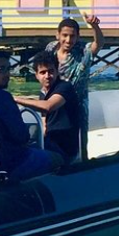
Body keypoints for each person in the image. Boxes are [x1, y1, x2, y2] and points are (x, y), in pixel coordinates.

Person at [0, 51, 62, 181]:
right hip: (10, 163)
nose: (7, 74)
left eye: (8, 69)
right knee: (57, 158)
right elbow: (21, 136)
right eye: (1, 69)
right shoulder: (3, 98)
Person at [45, 14, 104, 157]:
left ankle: (81, 164)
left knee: (79, 140)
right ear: (57, 35)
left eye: (72, 36)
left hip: (76, 103)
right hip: (55, 101)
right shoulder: (51, 49)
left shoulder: (83, 51)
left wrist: (94, 26)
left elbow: (99, 44)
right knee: (52, 137)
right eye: (64, 35)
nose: (68, 40)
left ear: (78, 36)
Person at [14, 50, 81, 163]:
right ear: (36, 75)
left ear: (57, 71)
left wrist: (15, 99)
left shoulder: (65, 88)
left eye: (51, 71)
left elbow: (48, 106)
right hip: (50, 142)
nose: (47, 76)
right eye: (43, 72)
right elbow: (44, 121)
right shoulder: (43, 93)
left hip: (64, 150)